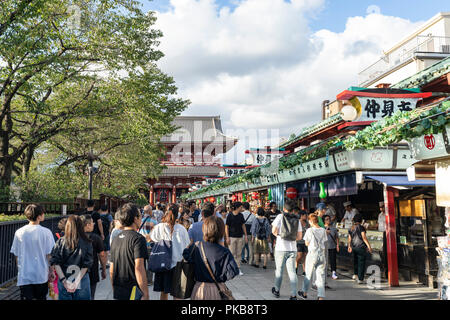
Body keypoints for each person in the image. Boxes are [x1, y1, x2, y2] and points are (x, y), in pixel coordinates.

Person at [183, 216, 239, 300]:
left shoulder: (196, 247)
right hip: (218, 289)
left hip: (199, 289)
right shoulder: (224, 251)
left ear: (204, 229)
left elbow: (185, 255)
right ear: (221, 231)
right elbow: (233, 272)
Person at [10, 204, 56, 300]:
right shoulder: (46, 232)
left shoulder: (19, 232)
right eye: (43, 213)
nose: (44, 215)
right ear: (39, 216)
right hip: (41, 274)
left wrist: (20, 270)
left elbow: (17, 255)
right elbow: (50, 255)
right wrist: (52, 270)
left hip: (25, 274)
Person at [150, 204, 190, 300]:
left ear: (165, 212)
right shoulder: (182, 229)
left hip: (163, 263)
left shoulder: (159, 227)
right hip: (178, 265)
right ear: (178, 215)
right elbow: (187, 246)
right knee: (177, 294)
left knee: (164, 293)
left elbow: (151, 240)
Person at [110, 203, 149, 300]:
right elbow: (139, 267)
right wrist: (145, 293)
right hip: (134, 291)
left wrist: (114, 288)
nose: (141, 218)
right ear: (135, 218)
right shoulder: (138, 239)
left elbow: (112, 269)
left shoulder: (116, 238)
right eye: (140, 215)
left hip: (119, 289)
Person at [50, 215, 93, 300]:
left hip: (64, 277)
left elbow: (55, 262)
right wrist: (76, 282)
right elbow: (87, 264)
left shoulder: (60, 242)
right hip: (82, 279)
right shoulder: (87, 242)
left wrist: (63, 281)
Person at [271, 200, 302, 300]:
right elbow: (300, 236)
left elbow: (274, 231)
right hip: (292, 249)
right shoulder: (297, 219)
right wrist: (292, 238)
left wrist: (281, 236)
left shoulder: (280, 216)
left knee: (279, 271)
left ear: (284, 209)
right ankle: (293, 295)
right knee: (292, 272)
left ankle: (276, 290)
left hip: (280, 248)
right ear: (293, 210)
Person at [298, 213, 328, 300]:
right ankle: (321, 296)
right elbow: (325, 240)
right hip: (322, 254)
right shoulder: (323, 230)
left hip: (312, 254)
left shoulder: (309, 230)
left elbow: (306, 243)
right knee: (321, 276)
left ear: (311, 221)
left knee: (308, 274)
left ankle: (304, 293)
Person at [80, 214, 107, 300]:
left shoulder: (74, 237)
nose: (94, 224)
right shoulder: (95, 238)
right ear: (87, 225)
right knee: (91, 295)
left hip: (75, 270)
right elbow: (102, 255)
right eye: (92, 222)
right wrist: (103, 269)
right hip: (91, 270)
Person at [348, 214, 373, 284]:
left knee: (355, 262)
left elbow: (349, 238)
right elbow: (364, 237)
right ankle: (360, 278)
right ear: (361, 220)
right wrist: (369, 246)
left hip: (354, 247)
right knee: (361, 263)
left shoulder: (351, 228)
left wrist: (349, 246)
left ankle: (356, 275)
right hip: (361, 247)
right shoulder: (361, 227)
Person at [225, 202, 247, 275]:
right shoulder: (230, 215)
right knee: (232, 253)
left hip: (240, 236)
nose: (242, 208)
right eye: (241, 207)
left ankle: (238, 268)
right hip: (231, 237)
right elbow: (226, 227)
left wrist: (246, 235)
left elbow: (243, 225)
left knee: (239, 253)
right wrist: (227, 237)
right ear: (237, 207)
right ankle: (231, 268)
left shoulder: (241, 215)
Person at [323, 215, 339, 280]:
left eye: (329, 219)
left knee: (333, 260)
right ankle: (325, 272)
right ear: (324, 221)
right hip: (324, 247)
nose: (328, 220)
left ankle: (333, 273)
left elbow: (337, 237)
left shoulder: (334, 228)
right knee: (324, 261)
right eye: (326, 219)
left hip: (332, 246)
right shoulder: (322, 228)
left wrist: (337, 245)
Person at [295, 209, 309, 275]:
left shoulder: (307, 223)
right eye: (305, 215)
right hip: (299, 242)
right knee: (299, 256)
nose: (306, 216)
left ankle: (305, 270)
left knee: (305, 256)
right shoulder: (297, 223)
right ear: (301, 216)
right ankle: (295, 268)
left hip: (306, 241)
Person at [376, 201, 388, 278]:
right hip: (380, 234)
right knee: (380, 252)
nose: (381, 208)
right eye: (380, 207)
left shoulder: (387, 214)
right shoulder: (380, 215)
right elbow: (378, 224)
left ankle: (385, 270)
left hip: (386, 234)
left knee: (384, 253)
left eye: (382, 207)